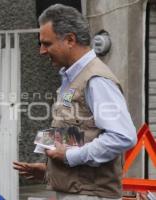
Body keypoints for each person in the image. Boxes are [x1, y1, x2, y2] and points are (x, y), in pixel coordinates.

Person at [13, 4, 137, 200]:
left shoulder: (96, 80)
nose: (42, 51)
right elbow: (80, 133)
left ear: (70, 39)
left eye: (47, 44)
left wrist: (69, 157)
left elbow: (123, 136)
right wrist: (49, 170)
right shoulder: (71, 78)